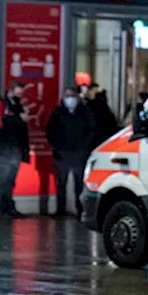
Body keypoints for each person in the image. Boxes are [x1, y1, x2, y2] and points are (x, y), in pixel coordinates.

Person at [46, 87, 98, 219]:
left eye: (72, 96)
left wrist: (85, 146)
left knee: (79, 184)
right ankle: (60, 209)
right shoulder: (58, 113)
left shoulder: (85, 112)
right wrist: (57, 146)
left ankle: (80, 210)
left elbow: (92, 130)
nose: (70, 99)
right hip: (62, 153)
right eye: (67, 96)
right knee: (61, 183)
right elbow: (50, 131)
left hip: (80, 153)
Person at [0, 81, 30, 218]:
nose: (19, 96)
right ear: (10, 91)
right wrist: (19, 118)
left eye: (21, 94)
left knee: (9, 181)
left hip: (14, 150)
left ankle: (8, 207)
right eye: (17, 93)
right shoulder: (0, 104)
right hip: (1, 150)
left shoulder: (18, 106)